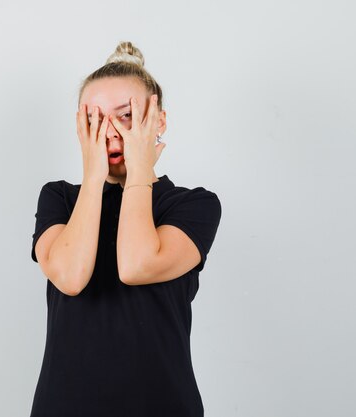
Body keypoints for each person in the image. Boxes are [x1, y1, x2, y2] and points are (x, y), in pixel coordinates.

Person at [29, 41, 222, 417]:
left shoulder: (192, 205)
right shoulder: (60, 199)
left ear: (159, 120)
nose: (111, 131)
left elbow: (136, 265)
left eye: (127, 115)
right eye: (95, 119)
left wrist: (137, 171)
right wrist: (94, 175)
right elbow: (70, 276)